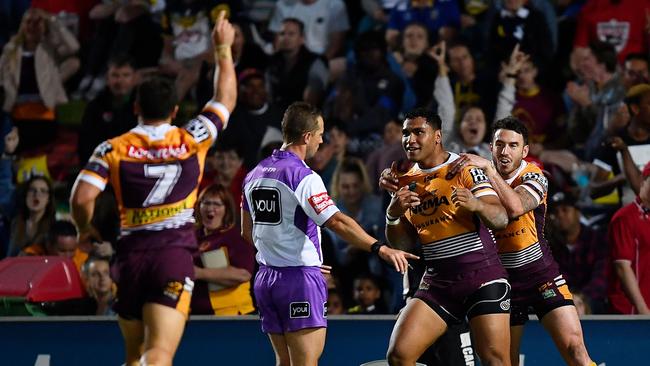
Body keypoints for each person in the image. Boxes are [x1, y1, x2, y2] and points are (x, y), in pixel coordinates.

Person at [69, 12, 237, 366]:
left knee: (134, 356)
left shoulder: (112, 147)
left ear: (136, 108)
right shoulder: (191, 138)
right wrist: (222, 49)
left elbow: (82, 196)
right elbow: (225, 99)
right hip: (172, 257)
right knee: (159, 355)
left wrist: (85, 230)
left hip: (129, 258)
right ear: (175, 110)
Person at [241, 101, 417, 366]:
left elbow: (248, 232)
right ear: (307, 136)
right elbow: (337, 222)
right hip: (298, 281)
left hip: (266, 279)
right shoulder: (302, 176)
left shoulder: (254, 173)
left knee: (284, 362)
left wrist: (288, 256)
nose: (323, 140)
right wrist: (379, 247)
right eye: (321, 133)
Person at [448, 116, 595, 365]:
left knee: (575, 349)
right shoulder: (473, 178)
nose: (505, 151)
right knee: (504, 362)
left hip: (540, 275)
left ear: (525, 150)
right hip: (498, 282)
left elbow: (515, 208)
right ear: (491, 147)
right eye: (499, 144)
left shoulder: (535, 176)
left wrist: (489, 170)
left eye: (513, 145)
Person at [379, 108, 511, 366]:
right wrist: (392, 214)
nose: (410, 139)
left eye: (419, 132)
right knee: (399, 355)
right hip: (438, 282)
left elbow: (501, 218)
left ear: (437, 136)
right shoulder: (405, 181)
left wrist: (478, 205)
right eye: (406, 133)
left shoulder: (464, 167)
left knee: (496, 360)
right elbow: (403, 244)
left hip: (481, 277)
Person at [191, 184, 255, 316]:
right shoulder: (190, 237)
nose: (210, 208)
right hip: (195, 315)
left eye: (217, 204)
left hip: (231, 315)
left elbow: (243, 274)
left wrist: (198, 273)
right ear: (198, 206)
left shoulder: (236, 238)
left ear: (226, 209)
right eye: (206, 203)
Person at [78, 55, 138, 165]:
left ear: (135, 78)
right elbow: (85, 144)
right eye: (115, 75)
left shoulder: (145, 105)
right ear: (107, 78)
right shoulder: (95, 107)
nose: (120, 81)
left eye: (126, 75)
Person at [607, 161, 650, 314]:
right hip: (632, 312)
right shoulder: (624, 218)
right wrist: (643, 311)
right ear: (643, 181)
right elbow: (622, 267)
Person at [8, 175, 56, 257]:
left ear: (48, 199)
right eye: (32, 190)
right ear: (25, 194)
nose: (37, 194)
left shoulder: (53, 227)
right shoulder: (15, 222)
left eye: (43, 191)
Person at [21, 220, 89, 273]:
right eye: (62, 251)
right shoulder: (32, 256)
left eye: (72, 250)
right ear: (48, 246)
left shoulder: (83, 260)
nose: (68, 256)